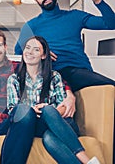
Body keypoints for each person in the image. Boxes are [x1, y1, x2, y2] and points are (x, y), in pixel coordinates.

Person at [0, 29, 75, 164]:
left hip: (9, 122)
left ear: (5, 47)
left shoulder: (19, 67)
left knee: (23, 110)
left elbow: (51, 77)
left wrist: (70, 95)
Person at [7, 36, 100, 164]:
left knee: (49, 136)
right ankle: (88, 161)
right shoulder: (14, 79)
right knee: (43, 114)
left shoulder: (54, 76)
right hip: (32, 126)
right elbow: (13, 109)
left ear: (44, 55)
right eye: (27, 48)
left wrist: (48, 112)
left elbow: (63, 107)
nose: (29, 52)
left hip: (58, 124)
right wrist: (32, 111)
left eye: (36, 50)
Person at [15, 0, 115, 92]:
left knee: (111, 88)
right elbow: (18, 52)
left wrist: (99, 2)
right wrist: (39, 51)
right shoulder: (31, 26)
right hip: (51, 74)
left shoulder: (75, 16)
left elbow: (111, 24)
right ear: (36, 0)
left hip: (79, 71)